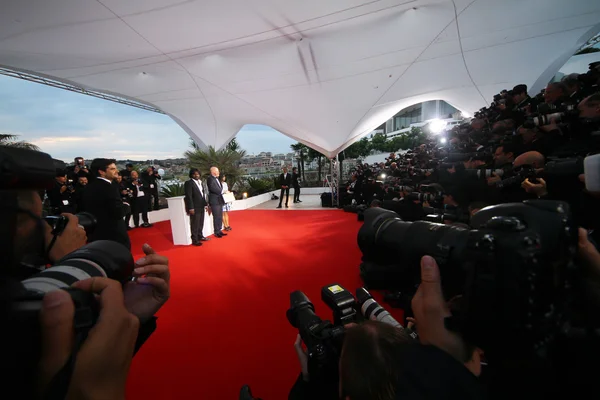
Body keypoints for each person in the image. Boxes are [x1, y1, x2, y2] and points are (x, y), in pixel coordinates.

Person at [82, 158, 131, 249]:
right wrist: (126, 205)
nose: (117, 171)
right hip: (114, 235)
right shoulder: (109, 188)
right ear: (102, 172)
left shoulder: (89, 187)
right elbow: (118, 212)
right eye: (112, 169)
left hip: (96, 236)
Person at [184, 168, 210, 246]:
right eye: (194, 174)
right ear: (191, 175)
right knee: (195, 223)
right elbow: (189, 196)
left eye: (198, 174)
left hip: (201, 205)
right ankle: (195, 240)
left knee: (201, 222)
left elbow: (203, 194)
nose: (196, 175)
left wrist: (205, 204)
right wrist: (191, 208)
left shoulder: (201, 182)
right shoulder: (188, 183)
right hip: (194, 207)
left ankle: (200, 236)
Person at [207, 166, 227, 238]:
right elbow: (213, 189)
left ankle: (219, 230)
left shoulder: (217, 179)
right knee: (216, 217)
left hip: (219, 200)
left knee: (220, 216)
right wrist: (223, 191)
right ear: (213, 172)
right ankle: (216, 232)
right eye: (217, 171)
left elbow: (220, 188)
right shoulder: (210, 179)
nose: (219, 172)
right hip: (214, 201)